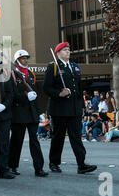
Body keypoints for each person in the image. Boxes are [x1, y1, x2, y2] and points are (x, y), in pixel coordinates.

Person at [43, 42, 97, 174]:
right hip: (59, 109)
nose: (68, 52)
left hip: (74, 109)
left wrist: (82, 107)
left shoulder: (74, 67)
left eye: (69, 49)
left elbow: (78, 89)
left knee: (76, 137)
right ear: (58, 53)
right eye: (65, 50)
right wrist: (59, 93)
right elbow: (46, 88)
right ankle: (54, 163)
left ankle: (81, 164)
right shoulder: (53, 67)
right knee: (58, 137)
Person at [7, 50, 48, 177]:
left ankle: (39, 168)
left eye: (26, 58)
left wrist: (39, 112)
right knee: (16, 141)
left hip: (31, 112)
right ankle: (12, 165)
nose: (25, 60)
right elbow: (12, 95)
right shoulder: (12, 74)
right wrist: (25, 97)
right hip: (18, 112)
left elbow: (34, 94)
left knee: (34, 140)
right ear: (17, 60)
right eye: (23, 58)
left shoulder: (30, 74)